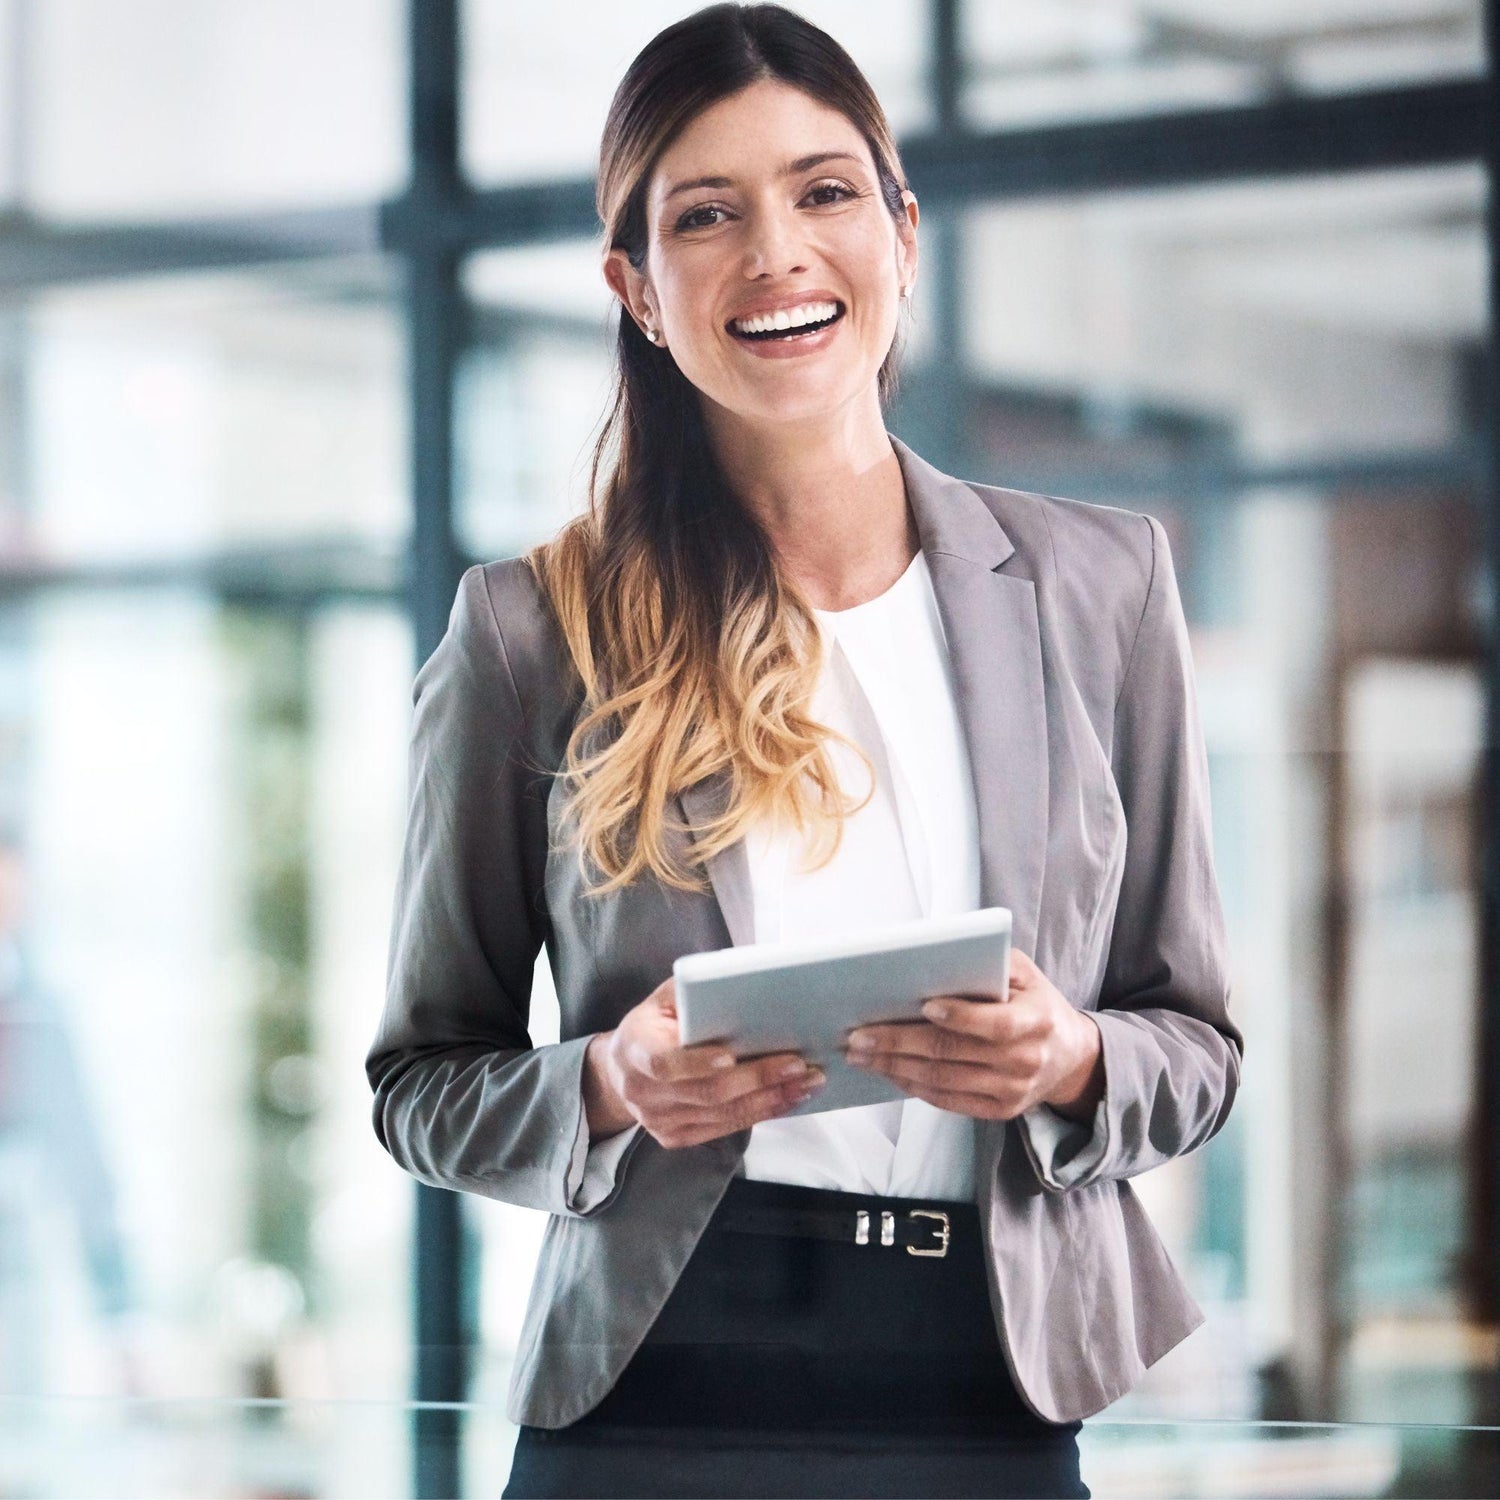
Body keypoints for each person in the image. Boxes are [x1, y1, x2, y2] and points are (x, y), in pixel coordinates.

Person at [366, 6, 1243, 1497]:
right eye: (708, 215)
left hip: (992, 1377)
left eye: (825, 192)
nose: (776, 252)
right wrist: (604, 1085)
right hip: (661, 1380)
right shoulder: (531, 632)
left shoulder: (1105, 589)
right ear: (636, 288)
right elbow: (418, 1082)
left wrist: (1071, 1057)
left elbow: (1199, 1047)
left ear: (904, 231)